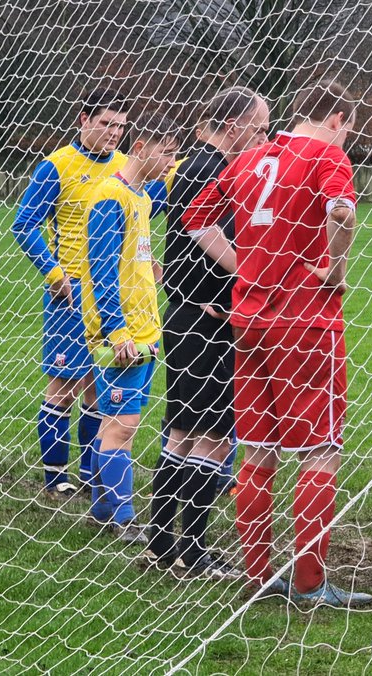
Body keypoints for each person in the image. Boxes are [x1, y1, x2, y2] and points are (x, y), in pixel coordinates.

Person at [183, 80, 372, 606]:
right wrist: (334, 268)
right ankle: (310, 583)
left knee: (259, 449)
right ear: (337, 119)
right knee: (321, 450)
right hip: (305, 320)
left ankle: (258, 575)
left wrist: (246, 267)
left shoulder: (252, 157)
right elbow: (343, 212)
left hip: (248, 320)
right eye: (349, 129)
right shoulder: (327, 156)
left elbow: (195, 218)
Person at [143, 87, 270, 579]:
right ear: (233, 125)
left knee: (181, 431)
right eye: (258, 129)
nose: (262, 137)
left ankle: (161, 543)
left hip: (188, 315)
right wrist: (250, 275)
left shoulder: (198, 164)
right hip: (207, 318)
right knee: (214, 436)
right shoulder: (206, 168)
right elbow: (202, 231)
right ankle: (191, 551)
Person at [10, 89, 129, 498]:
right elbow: (24, 224)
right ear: (83, 119)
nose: (113, 133)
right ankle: (55, 475)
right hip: (71, 292)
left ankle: (91, 471)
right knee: (63, 385)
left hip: (111, 294)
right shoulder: (56, 165)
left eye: (120, 125)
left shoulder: (123, 168)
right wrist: (55, 273)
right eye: (105, 124)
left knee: (99, 387)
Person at [79, 112, 181, 543]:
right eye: (167, 153)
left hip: (144, 330)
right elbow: (100, 268)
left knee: (112, 424)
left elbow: (128, 257)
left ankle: (103, 509)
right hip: (121, 336)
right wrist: (116, 331)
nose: (173, 162)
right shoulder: (109, 195)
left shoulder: (139, 196)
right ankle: (123, 519)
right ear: (141, 149)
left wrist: (148, 268)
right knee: (123, 427)